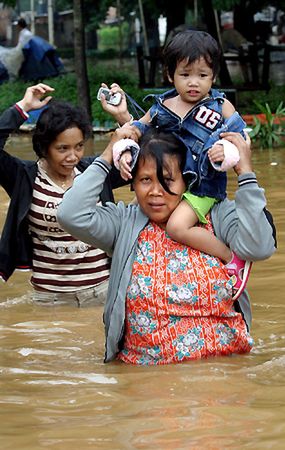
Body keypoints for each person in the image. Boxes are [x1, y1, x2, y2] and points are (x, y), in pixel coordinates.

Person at [57, 126, 276, 365]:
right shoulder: (123, 224)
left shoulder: (218, 216)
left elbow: (259, 247)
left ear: (187, 181)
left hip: (226, 376)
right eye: (145, 180)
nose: (155, 192)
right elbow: (70, 214)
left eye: (167, 180)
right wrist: (109, 154)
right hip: (147, 380)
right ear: (132, 183)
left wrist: (246, 174)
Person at [99, 30, 251, 300]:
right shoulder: (163, 105)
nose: (194, 83)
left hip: (202, 186)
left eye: (202, 75)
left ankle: (232, 258)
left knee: (176, 228)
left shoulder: (220, 106)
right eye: (185, 75)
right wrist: (124, 151)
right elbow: (136, 131)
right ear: (170, 74)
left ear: (213, 75)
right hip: (168, 183)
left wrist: (225, 150)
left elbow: (241, 139)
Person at [0, 83, 128, 306]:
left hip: (104, 292)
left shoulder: (96, 172)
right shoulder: (24, 178)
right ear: (44, 146)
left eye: (79, 146)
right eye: (62, 149)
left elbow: (146, 158)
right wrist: (23, 107)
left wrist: (123, 116)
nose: (73, 156)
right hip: (49, 299)